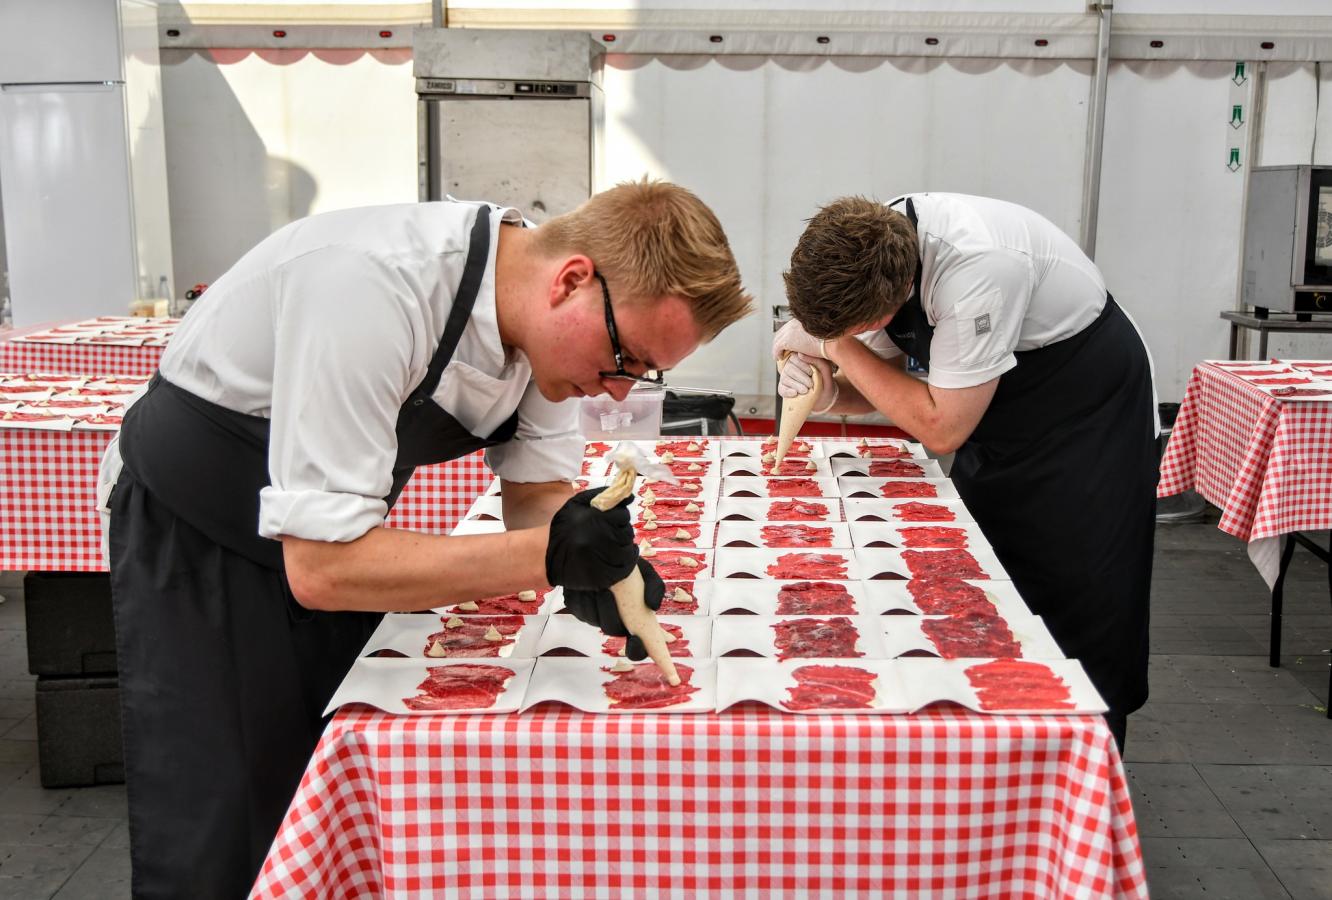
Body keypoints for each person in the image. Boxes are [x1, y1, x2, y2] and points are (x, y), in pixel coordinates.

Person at [99, 179, 753, 899]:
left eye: (645, 373)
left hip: (340, 532)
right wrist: (550, 556)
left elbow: (535, 498)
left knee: (321, 780)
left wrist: (596, 566)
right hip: (199, 522)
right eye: (623, 359)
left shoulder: (544, 331)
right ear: (572, 280)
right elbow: (323, 570)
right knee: (226, 815)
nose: (621, 392)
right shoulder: (372, 287)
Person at [773, 192, 1157, 751]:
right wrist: (828, 391)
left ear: (888, 305)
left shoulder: (980, 268)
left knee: (1080, 592)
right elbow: (896, 385)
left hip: (1082, 411)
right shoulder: (868, 246)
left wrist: (836, 346)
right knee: (983, 582)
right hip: (998, 409)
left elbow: (941, 427)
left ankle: (1087, 766)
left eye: (858, 328)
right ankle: (987, 750)